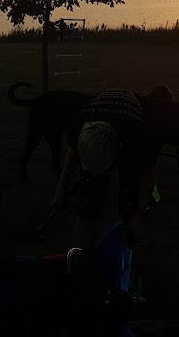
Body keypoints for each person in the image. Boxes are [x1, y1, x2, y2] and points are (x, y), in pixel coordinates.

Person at [52, 88, 159, 249]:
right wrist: (59, 192)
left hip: (128, 123)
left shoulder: (139, 136)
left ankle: (125, 256)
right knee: (89, 199)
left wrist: (137, 216)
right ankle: (78, 255)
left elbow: (147, 176)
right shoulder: (77, 127)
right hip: (102, 115)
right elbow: (72, 155)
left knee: (129, 198)